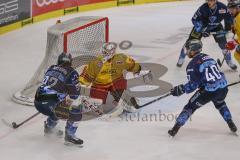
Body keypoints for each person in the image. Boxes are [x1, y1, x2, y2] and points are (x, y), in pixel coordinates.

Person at [169, 39, 237, 137]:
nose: (187, 51)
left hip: (207, 92)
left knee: (190, 107)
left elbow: (193, 85)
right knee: (220, 103)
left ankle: (175, 129)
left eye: (188, 49)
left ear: (192, 50)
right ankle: (231, 123)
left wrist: (180, 89)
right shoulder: (207, 56)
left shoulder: (192, 65)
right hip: (223, 88)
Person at [79, 42, 150, 112]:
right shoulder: (95, 63)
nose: (105, 54)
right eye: (104, 52)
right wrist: (80, 87)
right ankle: (85, 105)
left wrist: (140, 70)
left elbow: (132, 65)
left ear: (112, 52)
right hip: (99, 84)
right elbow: (86, 76)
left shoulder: (121, 58)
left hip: (116, 81)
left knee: (121, 95)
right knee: (94, 105)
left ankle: (129, 101)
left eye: (107, 52)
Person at [34, 52, 83, 146]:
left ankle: (49, 128)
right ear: (70, 62)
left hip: (37, 101)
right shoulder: (72, 72)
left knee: (59, 105)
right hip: (50, 104)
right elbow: (74, 95)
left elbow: (53, 85)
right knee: (76, 110)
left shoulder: (51, 68)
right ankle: (70, 136)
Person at [176, 0, 237, 70]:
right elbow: (194, 20)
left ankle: (229, 61)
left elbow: (230, 17)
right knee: (189, 43)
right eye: (208, 0)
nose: (208, 2)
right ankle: (181, 58)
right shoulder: (203, 8)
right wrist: (202, 30)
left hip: (216, 26)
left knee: (224, 45)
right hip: (202, 26)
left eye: (211, 0)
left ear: (215, 1)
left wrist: (233, 26)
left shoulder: (222, 7)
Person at [226, 0, 240, 65]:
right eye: (229, 9)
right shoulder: (236, 17)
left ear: (237, 8)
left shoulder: (239, 17)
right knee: (237, 54)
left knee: (237, 54)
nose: (230, 11)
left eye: (232, 9)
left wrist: (235, 42)